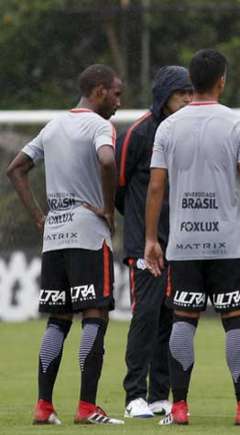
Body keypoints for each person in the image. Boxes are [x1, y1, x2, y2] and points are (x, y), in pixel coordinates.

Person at [144, 48, 240, 426]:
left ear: (190, 83)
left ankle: (178, 408)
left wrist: (152, 238)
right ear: (222, 80)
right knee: (235, 321)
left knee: (183, 320)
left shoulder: (168, 127)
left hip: (183, 244)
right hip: (228, 243)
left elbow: (155, 188)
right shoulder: (239, 124)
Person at [6, 64, 124, 425]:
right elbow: (106, 160)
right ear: (99, 91)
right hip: (88, 235)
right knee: (94, 316)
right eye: (116, 94)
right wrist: (108, 207)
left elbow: (16, 169)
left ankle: (44, 406)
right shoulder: (100, 126)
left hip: (54, 236)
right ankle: (87, 407)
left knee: (58, 321)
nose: (120, 102)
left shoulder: (53, 125)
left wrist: (40, 217)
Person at [117, 65, 193, 419]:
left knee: (170, 318)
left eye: (193, 94)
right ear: (165, 97)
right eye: (182, 95)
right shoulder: (138, 133)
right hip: (144, 245)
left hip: (179, 243)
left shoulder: (188, 134)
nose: (189, 101)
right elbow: (118, 186)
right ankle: (134, 395)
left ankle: (159, 394)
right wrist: (139, 228)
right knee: (145, 316)